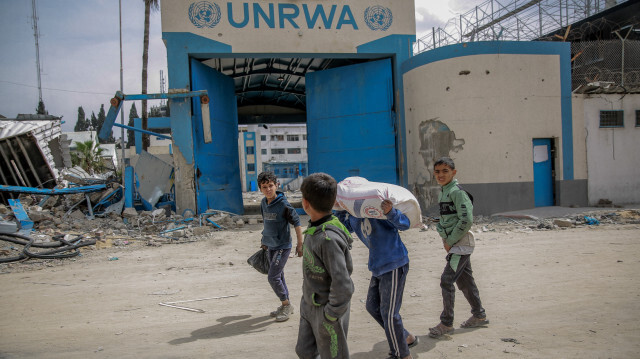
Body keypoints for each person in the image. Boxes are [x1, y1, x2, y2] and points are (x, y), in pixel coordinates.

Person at [337, 192, 418, 359]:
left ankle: (402, 355)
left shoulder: (377, 210)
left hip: (395, 263)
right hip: (377, 266)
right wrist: (339, 210)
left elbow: (404, 224)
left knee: (389, 314)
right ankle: (405, 337)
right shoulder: (355, 215)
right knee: (372, 307)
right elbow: (345, 228)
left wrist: (390, 212)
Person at [295, 173, 354, 359]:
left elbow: (343, 285)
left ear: (305, 203)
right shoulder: (313, 230)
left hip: (328, 311)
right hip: (309, 306)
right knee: (304, 351)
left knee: (333, 355)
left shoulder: (328, 239)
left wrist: (330, 315)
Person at [428, 157, 488, 338]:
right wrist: (441, 231)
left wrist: (450, 241)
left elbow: (466, 220)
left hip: (461, 246)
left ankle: (446, 323)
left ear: (454, 173)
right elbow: (446, 218)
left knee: (447, 280)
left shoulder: (457, 192)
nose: (441, 175)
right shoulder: (443, 192)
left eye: (445, 171)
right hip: (454, 244)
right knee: (465, 281)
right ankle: (479, 315)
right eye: (437, 171)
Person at [257, 171, 303, 322]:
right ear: (260, 189)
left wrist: (300, 244)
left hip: (283, 246)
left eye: (270, 185)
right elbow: (267, 223)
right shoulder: (264, 203)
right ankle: (285, 305)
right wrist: (264, 241)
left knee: (273, 277)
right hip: (271, 245)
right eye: (264, 187)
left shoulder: (283, 204)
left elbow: (296, 222)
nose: (268, 189)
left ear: (277, 185)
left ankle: (286, 304)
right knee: (279, 275)